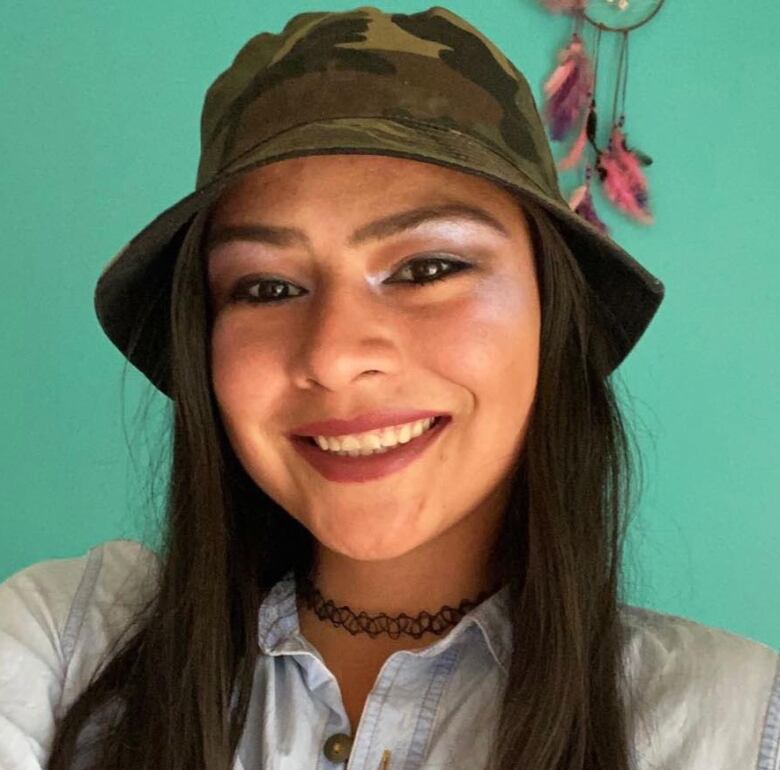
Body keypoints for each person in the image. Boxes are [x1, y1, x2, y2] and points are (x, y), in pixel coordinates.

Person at [0, 6, 777, 770]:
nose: (335, 357)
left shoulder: (737, 725)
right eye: (266, 288)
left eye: (428, 269)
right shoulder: (62, 649)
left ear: (551, 313)